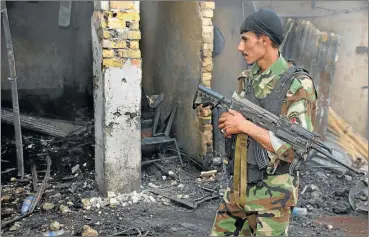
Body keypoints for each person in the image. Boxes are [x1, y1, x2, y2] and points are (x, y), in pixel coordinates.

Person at [210, 9, 318, 236]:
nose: (240, 47)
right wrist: (230, 124)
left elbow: (293, 149)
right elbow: (236, 122)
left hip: (272, 200)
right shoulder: (247, 79)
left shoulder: (298, 85)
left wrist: (245, 126)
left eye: (245, 39)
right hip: (238, 189)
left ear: (264, 40)